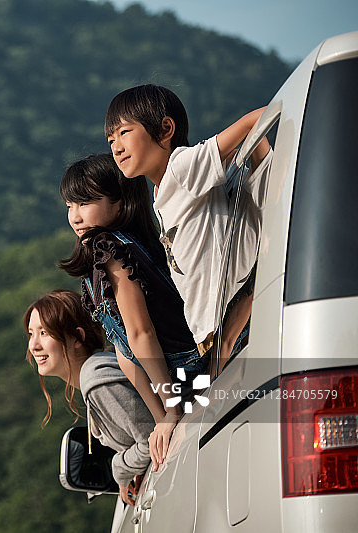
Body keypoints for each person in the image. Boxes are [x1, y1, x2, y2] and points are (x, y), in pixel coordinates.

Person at [104, 84, 272, 373]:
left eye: (124, 132)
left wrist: (265, 167)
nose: (116, 146)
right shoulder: (161, 192)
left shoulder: (181, 167)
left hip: (230, 327)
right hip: (211, 334)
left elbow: (255, 120)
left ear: (165, 129)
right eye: (110, 140)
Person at [58, 153, 204, 467]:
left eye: (85, 203)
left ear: (120, 203)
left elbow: (141, 333)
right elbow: (125, 352)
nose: (75, 217)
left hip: (191, 369)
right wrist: (160, 420)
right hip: (180, 373)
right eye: (70, 205)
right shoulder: (107, 255)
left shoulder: (109, 249)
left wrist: (170, 409)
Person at [24, 289, 152, 506]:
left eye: (44, 333)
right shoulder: (100, 369)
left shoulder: (98, 380)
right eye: (31, 333)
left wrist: (119, 469)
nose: (34, 345)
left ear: (77, 338)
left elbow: (152, 438)